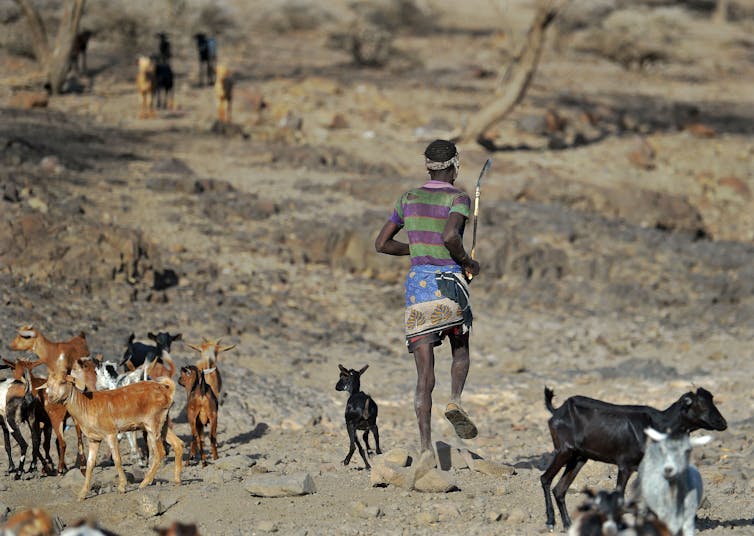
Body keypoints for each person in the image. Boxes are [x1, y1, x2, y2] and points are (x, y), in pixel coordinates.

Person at [375, 139, 481, 454]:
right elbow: (451, 236)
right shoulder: (459, 198)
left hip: (418, 290)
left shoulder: (407, 198)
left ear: (427, 166)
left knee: (424, 374)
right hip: (449, 285)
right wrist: (467, 262)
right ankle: (456, 400)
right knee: (460, 350)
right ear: (455, 165)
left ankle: (424, 448)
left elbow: (381, 243)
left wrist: (417, 248)